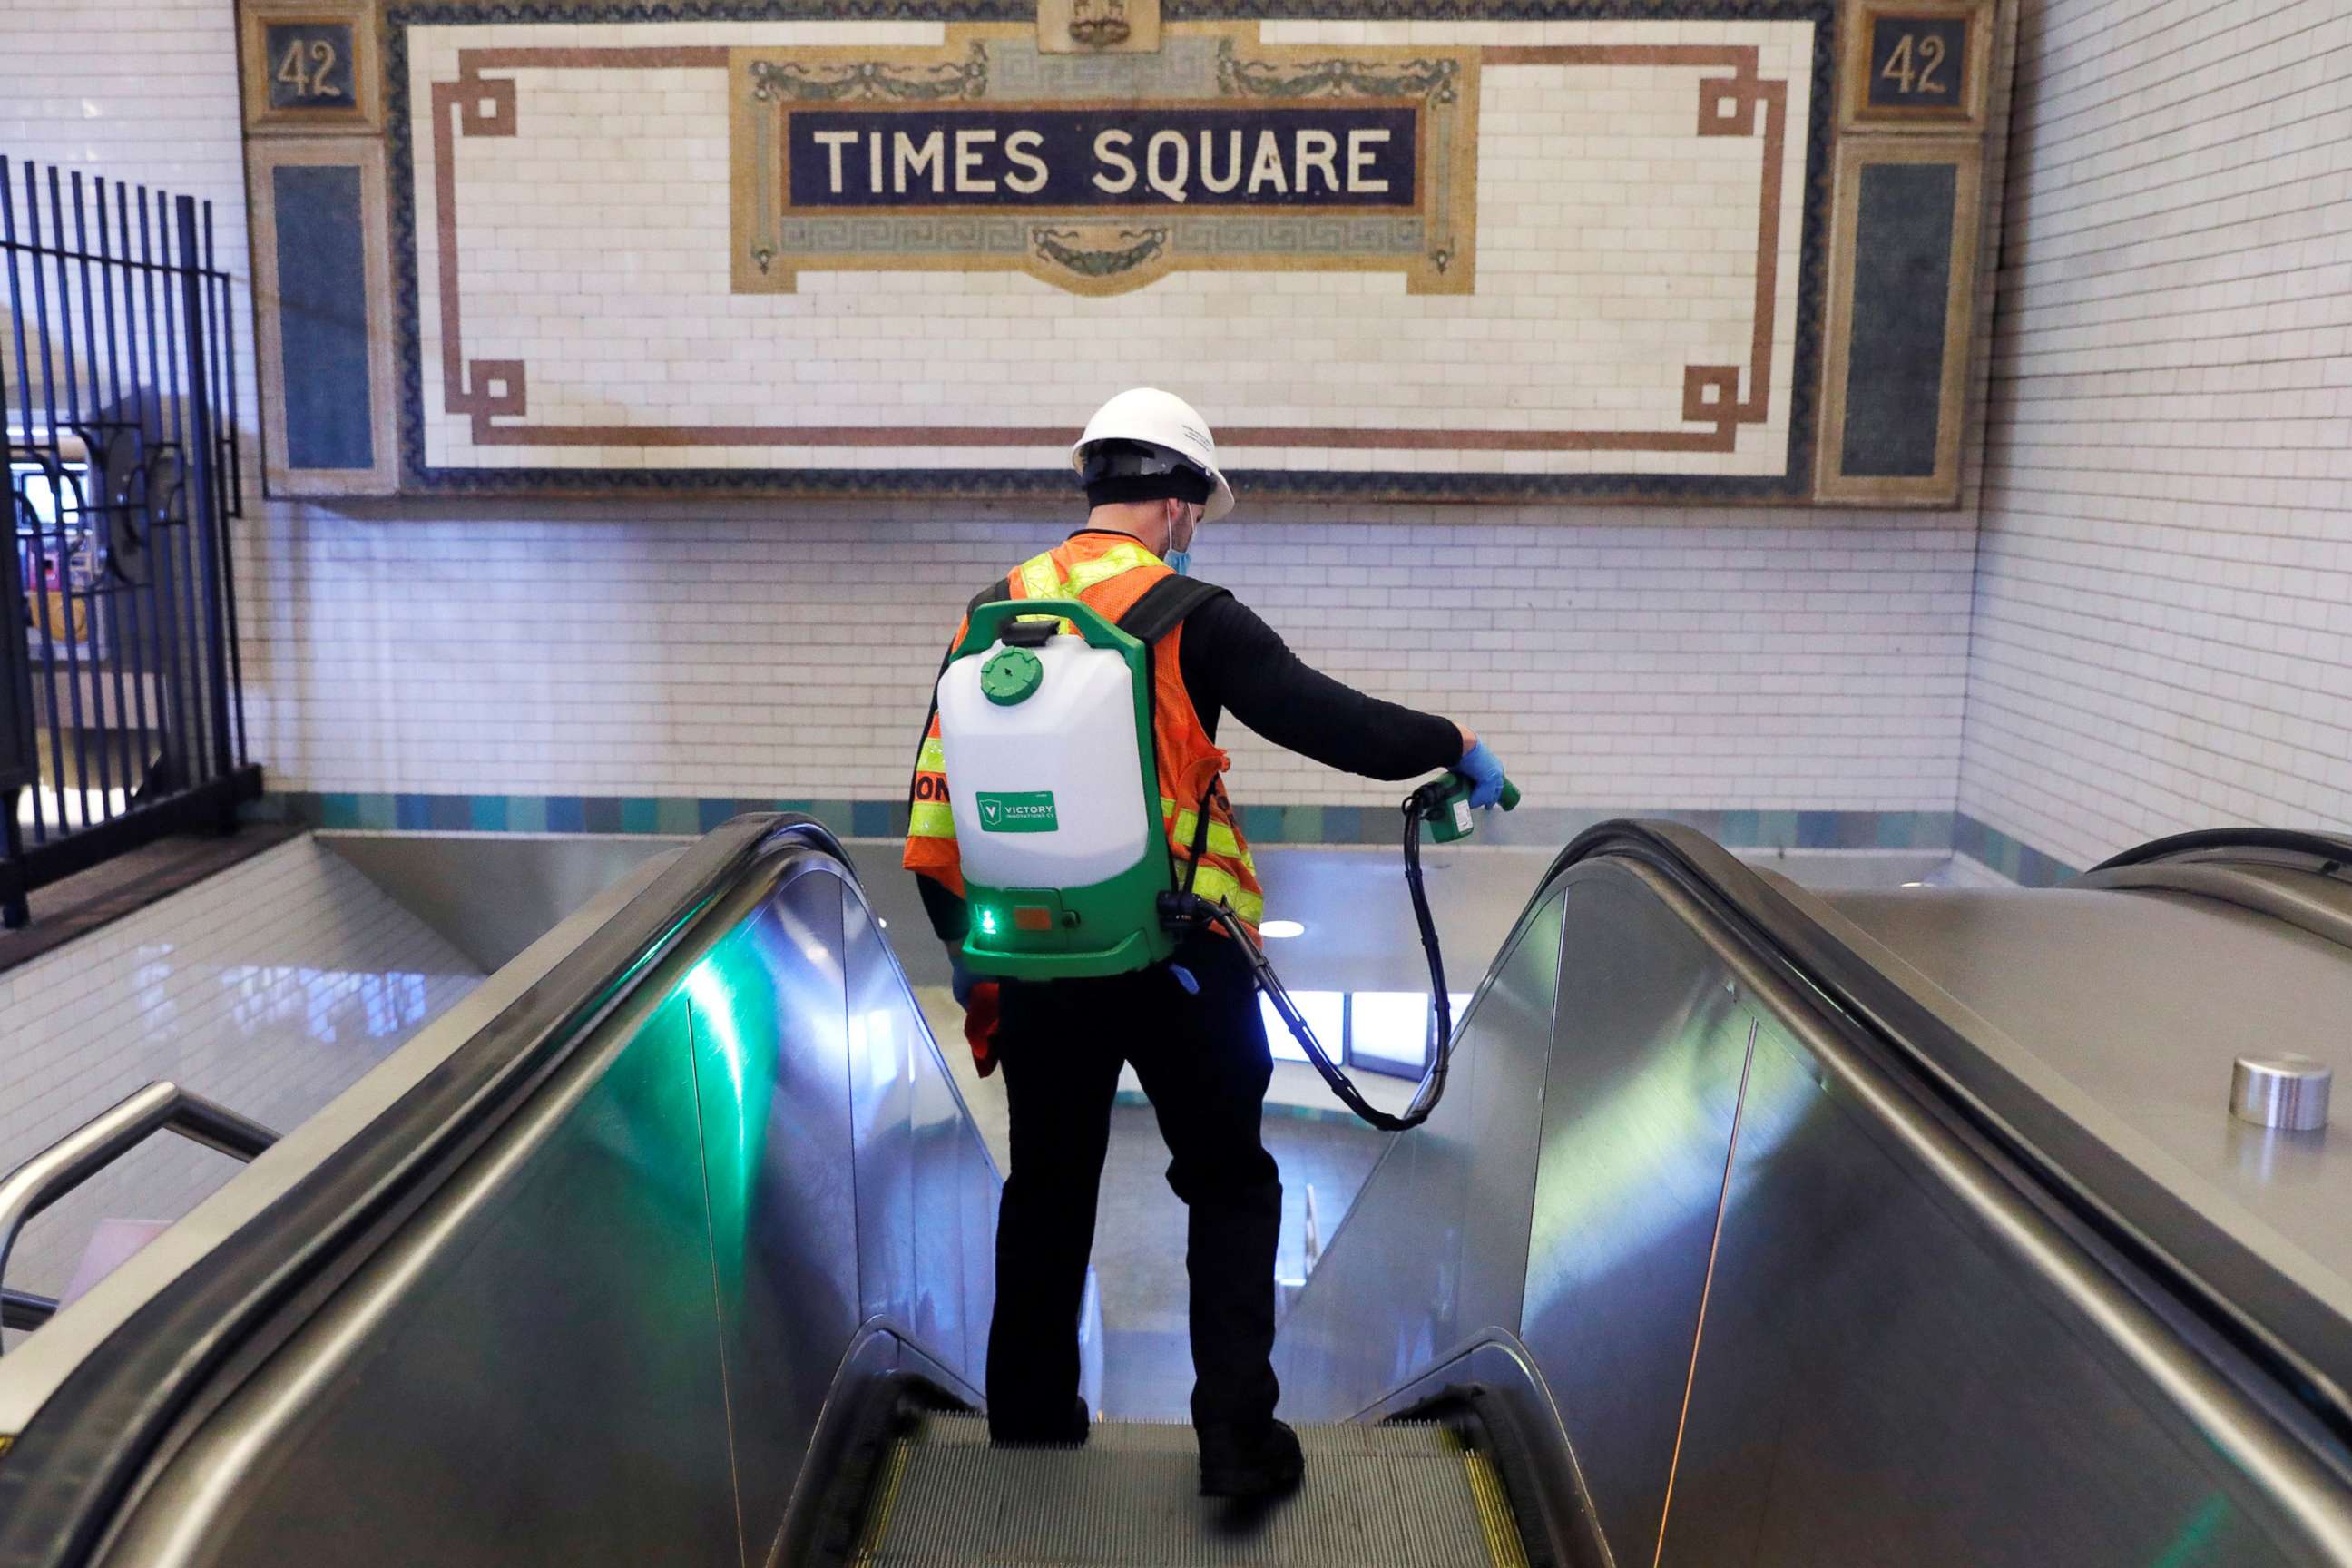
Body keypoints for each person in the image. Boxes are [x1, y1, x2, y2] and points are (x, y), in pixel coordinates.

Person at [902, 387, 1508, 1500]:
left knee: (1045, 1189)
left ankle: (1032, 1433)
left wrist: (973, 950)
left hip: (1039, 961)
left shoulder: (994, 613)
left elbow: (934, 798)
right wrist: (1455, 741)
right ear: (1179, 504)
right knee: (1228, 1185)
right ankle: (1237, 1443)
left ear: (1095, 487)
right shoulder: (1192, 612)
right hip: (1183, 955)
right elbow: (1339, 725)